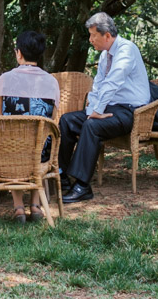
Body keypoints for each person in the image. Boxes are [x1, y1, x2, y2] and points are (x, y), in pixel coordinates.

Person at [59, 12, 151, 204]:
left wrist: (97, 112)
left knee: (92, 126)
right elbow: (98, 86)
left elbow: (112, 83)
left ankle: (82, 186)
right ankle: (62, 176)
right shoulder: (104, 55)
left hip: (130, 111)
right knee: (67, 120)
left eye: (93, 35)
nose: (90, 40)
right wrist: (93, 109)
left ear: (107, 35)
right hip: (109, 108)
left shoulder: (126, 50)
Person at [0, 29, 61, 221]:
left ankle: (18, 208)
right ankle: (36, 206)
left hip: (12, 150)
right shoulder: (51, 81)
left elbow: (2, 115)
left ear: (19, 53)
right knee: (39, 140)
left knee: (12, 136)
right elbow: (51, 119)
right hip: (42, 151)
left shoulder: (5, 79)